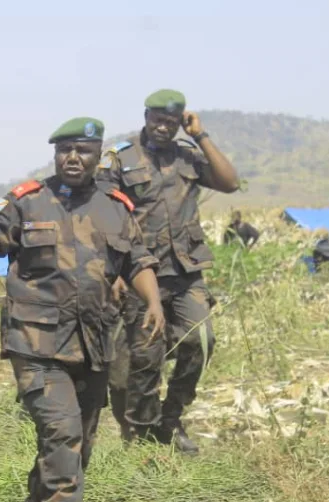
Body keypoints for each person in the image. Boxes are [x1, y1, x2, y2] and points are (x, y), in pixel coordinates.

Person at [0, 116, 165, 502]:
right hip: (35, 344)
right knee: (62, 431)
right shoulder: (28, 202)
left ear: (97, 156)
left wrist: (153, 302)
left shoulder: (115, 207)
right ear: (55, 154)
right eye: (64, 150)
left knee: (77, 444)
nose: (73, 158)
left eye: (83, 151)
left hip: (93, 343)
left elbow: (138, 261)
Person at [97, 89, 240, 454]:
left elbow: (230, 182)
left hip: (185, 271)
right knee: (142, 357)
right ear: (146, 117)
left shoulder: (187, 155)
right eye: (158, 120)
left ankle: (171, 417)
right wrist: (114, 271)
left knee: (202, 341)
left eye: (171, 122)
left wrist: (200, 135)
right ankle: (141, 435)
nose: (163, 127)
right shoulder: (120, 159)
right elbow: (101, 216)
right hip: (139, 272)